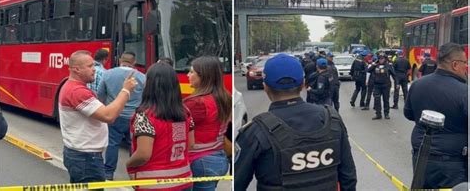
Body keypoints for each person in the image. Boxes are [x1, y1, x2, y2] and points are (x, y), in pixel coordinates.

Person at [234, 53, 357, 190]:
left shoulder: (256, 131)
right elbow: (348, 177)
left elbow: (237, 183)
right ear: (303, 84)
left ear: (265, 86)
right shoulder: (331, 120)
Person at [59, 50, 137, 184]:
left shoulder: (73, 87)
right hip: (86, 158)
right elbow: (108, 115)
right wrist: (126, 90)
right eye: (90, 66)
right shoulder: (77, 92)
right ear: (77, 69)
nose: (94, 70)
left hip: (81, 155)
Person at [404, 43, 467, 188]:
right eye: (465, 63)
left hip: (421, 157)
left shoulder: (417, 85)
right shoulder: (464, 92)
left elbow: (408, 114)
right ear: (455, 64)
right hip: (452, 164)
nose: (466, 67)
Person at [126, 62, 194, 191]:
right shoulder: (185, 112)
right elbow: (191, 144)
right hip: (184, 179)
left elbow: (143, 154)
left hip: (154, 183)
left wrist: (128, 164)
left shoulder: (144, 116)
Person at [184, 56, 231, 190]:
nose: (188, 75)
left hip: (199, 160)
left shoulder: (196, 103)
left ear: (203, 76)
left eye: (192, 72)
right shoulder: (224, 97)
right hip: (219, 157)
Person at [97, 52, 146, 180]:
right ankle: (135, 172)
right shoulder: (142, 77)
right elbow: (146, 99)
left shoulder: (108, 74)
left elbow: (100, 95)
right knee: (133, 145)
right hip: (135, 117)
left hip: (115, 115)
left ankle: (108, 172)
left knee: (112, 144)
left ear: (119, 60)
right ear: (134, 63)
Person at [368, 54, 395, 120]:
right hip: (377, 85)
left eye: (382, 59)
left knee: (386, 100)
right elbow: (368, 70)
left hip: (386, 85)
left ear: (385, 59)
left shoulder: (388, 66)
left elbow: (394, 75)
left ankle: (386, 114)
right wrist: (373, 65)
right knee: (377, 100)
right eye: (380, 59)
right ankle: (378, 114)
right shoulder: (375, 65)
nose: (381, 60)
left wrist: (397, 83)